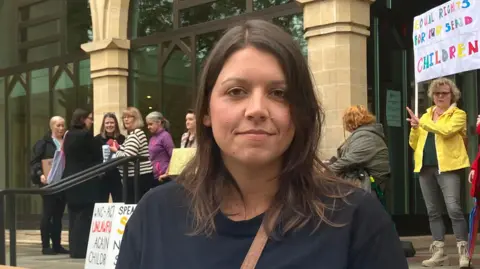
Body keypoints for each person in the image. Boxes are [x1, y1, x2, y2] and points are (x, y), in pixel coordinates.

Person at [116, 20, 407, 269]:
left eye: (279, 93)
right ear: (205, 110)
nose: (256, 109)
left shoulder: (356, 220)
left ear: (302, 111)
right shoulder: (154, 216)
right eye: (236, 91)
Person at [407, 77, 470, 268]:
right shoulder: (425, 116)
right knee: (433, 211)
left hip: (448, 167)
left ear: (452, 95)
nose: (440, 96)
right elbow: (414, 143)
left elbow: (446, 131)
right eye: (437, 93)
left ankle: (463, 252)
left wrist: (423, 124)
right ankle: (439, 252)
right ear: (432, 96)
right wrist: (415, 128)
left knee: (454, 209)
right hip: (425, 167)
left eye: (444, 93)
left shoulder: (458, 114)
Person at [63, 108, 104, 258]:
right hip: (85, 179)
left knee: (73, 215)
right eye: (89, 118)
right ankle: (81, 249)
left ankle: (74, 248)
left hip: (70, 178)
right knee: (85, 215)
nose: (91, 121)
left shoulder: (68, 135)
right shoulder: (85, 135)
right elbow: (96, 155)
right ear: (82, 119)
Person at [329, 105, 390, 200]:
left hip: (367, 186)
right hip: (367, 185)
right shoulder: (366, 134)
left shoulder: (366, 136)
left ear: (350, 121)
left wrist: (327, 171)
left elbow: (350, 160)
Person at [30, 116, 69, 255]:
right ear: (52, 126)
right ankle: (46, 245)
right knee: (48, 214)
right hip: (48, 183)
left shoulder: (66, 142)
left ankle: (57, 245)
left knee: (58, 215)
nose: (61, 128)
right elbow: (34, 162)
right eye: (58, 125)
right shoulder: (43, 143)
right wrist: (40, 174)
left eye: (63, 125)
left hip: (63, 182)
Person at [111, 107, 154, 204]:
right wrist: (119, 148)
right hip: (137, 177)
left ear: (136, 119)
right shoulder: (134, 134)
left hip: (138, 178)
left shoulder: (135, 134)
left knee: (135, 206)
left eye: (129, 117)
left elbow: (128, 156)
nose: (126, 119)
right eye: (124, 117)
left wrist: (115, 151)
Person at [94, 113, 126, 202]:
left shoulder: (122, 138)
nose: (109, 125)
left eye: (112, 123)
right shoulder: (97, 139)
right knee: (101, 203)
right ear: (103, 125)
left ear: (115, 124)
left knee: (119, 201)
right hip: (102, 176)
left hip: (117, 176)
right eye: (107, 123)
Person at [145, 111, 174, 183]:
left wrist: (167, 173)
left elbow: (174, 156)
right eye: (147, 124)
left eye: (151, 124)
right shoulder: (152, 138)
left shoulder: (165, 136)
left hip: (164, 177)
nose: (148, 127)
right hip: (154, 176)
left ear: (159, 122)